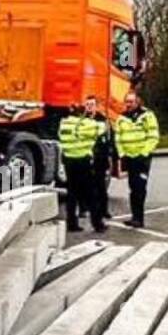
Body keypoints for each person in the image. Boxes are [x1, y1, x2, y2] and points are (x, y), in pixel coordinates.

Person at [59, 97, 108, 233]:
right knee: (91, 194)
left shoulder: (64, 124)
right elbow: (102, 128)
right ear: (82, 113)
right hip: (83, 162)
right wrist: (94, 116)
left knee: (72, 195)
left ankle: (71, 223)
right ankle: (97, 224)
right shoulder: (87, 124)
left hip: (69, 161)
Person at [115, 90, 160, 227]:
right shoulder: (122, 118)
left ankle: (139, 218)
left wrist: (144, 153)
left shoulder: (147, 116)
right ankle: (134, 216)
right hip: (129, 158)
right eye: (126, 102)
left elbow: (153, 137)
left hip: (142, 158)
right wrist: (122, 154)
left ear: (137, 102)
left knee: (140, 188)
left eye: (131, 102)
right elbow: (118, 138)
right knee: (133, 187)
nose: (128, 104)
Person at [86, 97, 116, 220]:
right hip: (87, 157)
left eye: (92, 104)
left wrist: (112, 155)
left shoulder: (103, 120)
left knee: (101, 187)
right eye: (87, 104)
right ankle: (87, 209)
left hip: (100, 158)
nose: (89, 107)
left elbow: (110, 139)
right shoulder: (82, 120)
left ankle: (104, 210)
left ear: (97, 106)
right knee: (88, 186)